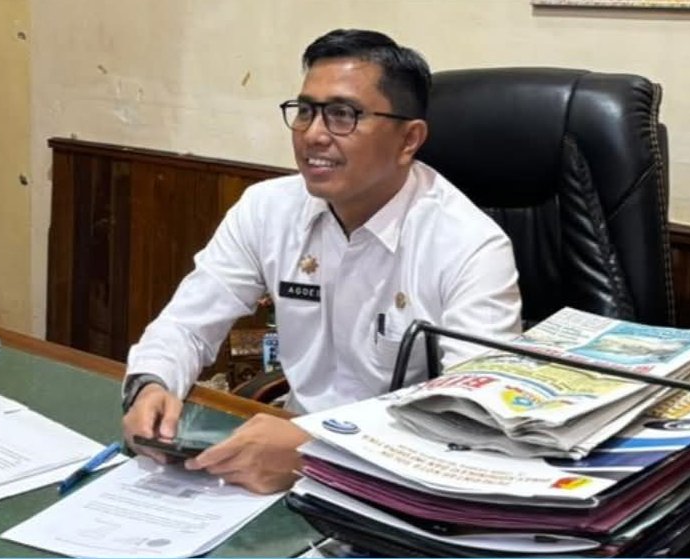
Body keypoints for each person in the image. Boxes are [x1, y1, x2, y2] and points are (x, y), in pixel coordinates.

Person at [121, 29, 522, 494]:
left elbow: (475, 419)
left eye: (342, 115)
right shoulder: (266, 209)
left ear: (408, 139)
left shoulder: (470, 246)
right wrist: (150, 385)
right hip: (282, 455)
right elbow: (187, 325)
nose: (313, 134)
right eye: (306, 111)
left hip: (396, 478)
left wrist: (317, 451)